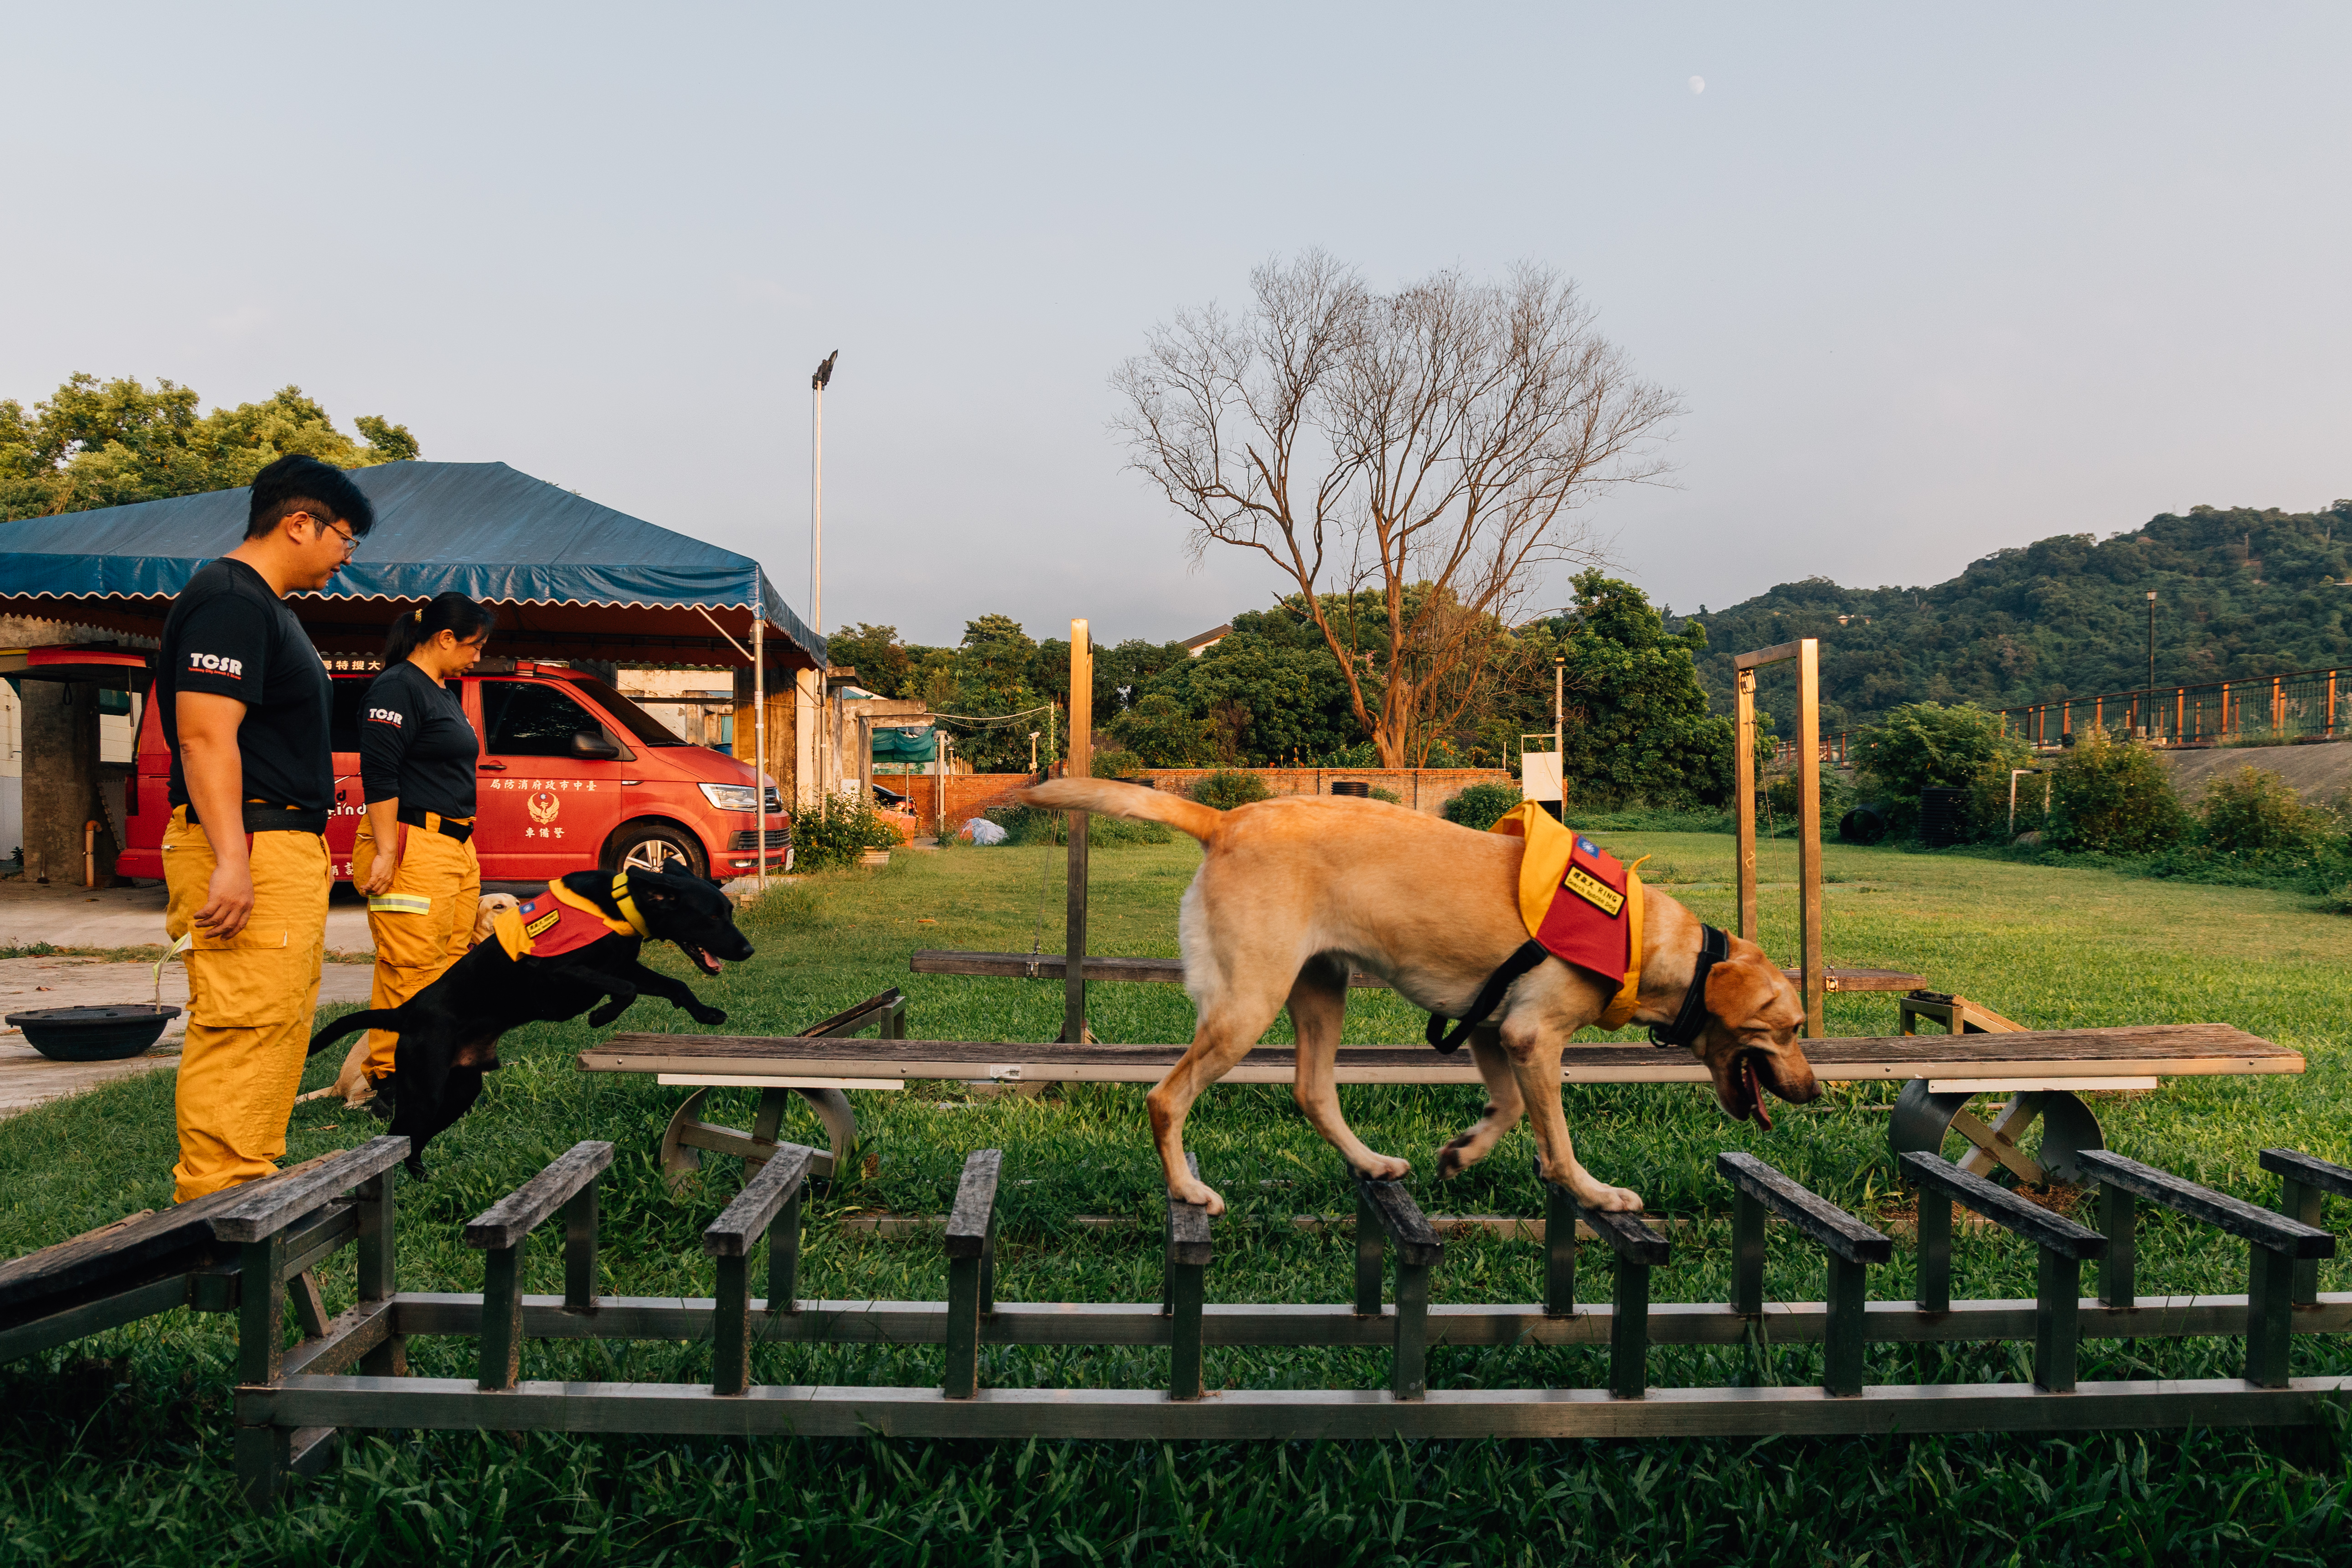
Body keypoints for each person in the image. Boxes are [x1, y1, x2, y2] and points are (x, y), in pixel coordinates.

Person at [158, 454, 373, 1202]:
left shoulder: (265, 608)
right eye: (347, 540)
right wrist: (231, 860)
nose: (347, 560)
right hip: (247, 841)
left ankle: (246, 1188)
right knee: (244, 1023)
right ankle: (216, 1207)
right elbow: (204, 737)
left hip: (280, 844)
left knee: (275, 1020)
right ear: (300, 523)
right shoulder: (230, 600)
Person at [350, 593, 496, 1114]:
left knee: (451, 965)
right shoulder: (397, 687)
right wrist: (387, 851)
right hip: (411, 841)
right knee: (410, 966)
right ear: (444, 638)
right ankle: (392, 1081)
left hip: (454, 845)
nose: (477, 657)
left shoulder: (442, 692)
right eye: (474, 646)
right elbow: (380, 773)